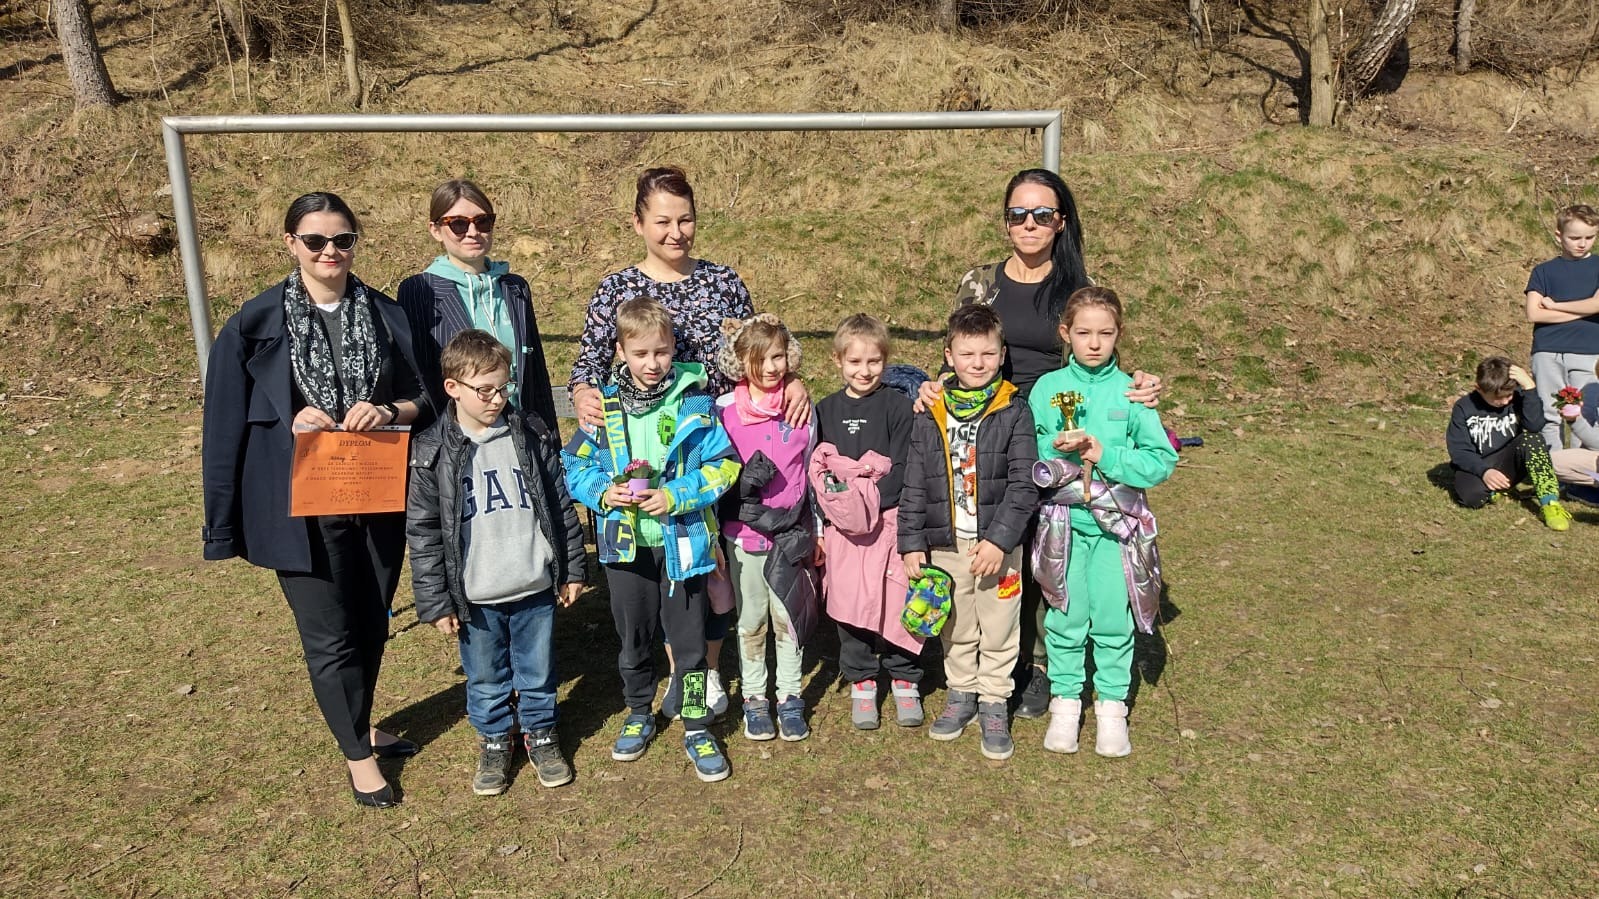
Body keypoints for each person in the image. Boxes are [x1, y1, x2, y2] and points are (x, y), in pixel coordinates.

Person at [202, 192, 425, 809]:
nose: (330, 251)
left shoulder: (386, 314)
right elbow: (222, 427)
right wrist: (286, 423)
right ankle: (359, 756)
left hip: (375, 497)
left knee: (371, 623)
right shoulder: (252, 324)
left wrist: (387, 410)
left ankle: (361, 722)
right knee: (330, 635)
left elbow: (425, 397)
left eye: (342, 239)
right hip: (299, 510)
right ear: (290, 244)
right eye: (315, 240)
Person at [918, 168, 1164, 721]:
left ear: (1061, 222)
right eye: (1018, 213)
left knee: (1051, 541)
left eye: (1042, 214)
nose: (1029, 223)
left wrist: (1141, 385)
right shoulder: (980, 282)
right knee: (999, 534)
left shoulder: (1076, 285)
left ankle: (1041, 663)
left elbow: (1102, 357)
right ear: (1006, 220)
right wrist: (936, 386)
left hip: (1055, 430)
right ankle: (983, 657)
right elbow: (958, 348)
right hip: (991, 425)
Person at [568, 166, 811, 703]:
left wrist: (791, 379)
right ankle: (681, 670)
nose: (675, 232)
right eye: (662, 222)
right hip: (654, 451)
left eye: (685, 220)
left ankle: (710, 669)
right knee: (674, 564)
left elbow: (759, 350)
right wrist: (583, 392)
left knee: (714, 564)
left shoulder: (723, 282)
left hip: (723, 445)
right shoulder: (617, 289)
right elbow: (588, 366)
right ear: (638, 223)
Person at [562, 298, 741, 782]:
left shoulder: (695, 404)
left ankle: (697, 723)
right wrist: (604, 492)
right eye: (640, 353)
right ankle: (638, 710)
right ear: (620, 352)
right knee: (634, 639)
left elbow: (725, 465)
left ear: (673, 347)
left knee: (690, 642)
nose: (653, 363)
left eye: (661, 352)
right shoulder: (603, 408)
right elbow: (573, 465)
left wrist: (677, 495)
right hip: (625, 546)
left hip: (681, 544)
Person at [405, 330, 587, 797]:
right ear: (452, 387)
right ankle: (494, 739)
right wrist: (436, 601)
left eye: (503, 387)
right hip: (476, 595)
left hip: (533, 584)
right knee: (486, 677)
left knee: (538, 671)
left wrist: (572, 569)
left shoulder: (530, 433)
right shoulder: (431, 452)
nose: (496, 399)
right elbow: (424, 533)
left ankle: (541, 732)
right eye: (484, 390)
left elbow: (559, 505)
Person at [1029, 286, 1177, 758]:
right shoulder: (1047, 389)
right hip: (1063, 523)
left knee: (1113, 617)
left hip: (1117, 528)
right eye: (1084, 333)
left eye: (1105, 333)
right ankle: (1066, 703)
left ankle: (1112, 708)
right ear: (1065, 333)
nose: (1094, 343)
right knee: (1066, 614)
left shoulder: (1132, 392)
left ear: (1119, 334)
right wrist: (1056, 449)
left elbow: (1161, 460)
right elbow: (1027, 447)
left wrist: (1105, 453)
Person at [898, 305, 1038, 761]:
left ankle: (994, 700)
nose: (978, 363)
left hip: (997, 545)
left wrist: (1000, 540)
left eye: (988, 354)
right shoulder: (931, 410)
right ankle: (961, 692)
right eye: (967, 354)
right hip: (945, 541)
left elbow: (1024, 483)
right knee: (955, 623)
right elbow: (914, 480)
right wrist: (911, 541)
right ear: (949, 356)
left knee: (999, 624)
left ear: (1002, 355)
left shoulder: (1014, 410)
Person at [811, 314, 925, 730]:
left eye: (874, 361)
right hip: (842, 526)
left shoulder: (898, 407)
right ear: (837, 360)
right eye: (855, 362)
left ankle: (905, 676)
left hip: (889, 520)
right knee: (848, 598)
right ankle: (861, 678)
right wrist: (841, 508)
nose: (864, 371)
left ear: (886, 360)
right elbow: (819, 470)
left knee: (898, 598)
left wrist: (867, 498)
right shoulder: (824, 409)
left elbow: (905, 466)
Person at [713, 313, 819, 743]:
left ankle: (790, 696)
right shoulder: (723, 410)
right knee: (752, 620)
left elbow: (812, 472)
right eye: (759, 360)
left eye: (778, 357)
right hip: (744, 536)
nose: (771, 368)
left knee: (787, 618)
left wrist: (818, 531)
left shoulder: (802, 409)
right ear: (740, 362)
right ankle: (754, 698)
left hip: (791, 535)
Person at [397, 179, 559, 435]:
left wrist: (549, 440)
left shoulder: (515, 288)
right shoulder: (420, 290)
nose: (472, 232)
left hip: (522, 436)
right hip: (458, 441)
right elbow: (421, 380)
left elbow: (535, 375)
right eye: (458, 224)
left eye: (482, 221)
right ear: (436, 230)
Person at [1445, 356, 1572, 530]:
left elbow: (1534, 426)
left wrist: (1530, 388)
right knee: (1471, 498)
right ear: (1479, 389)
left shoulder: (1519, 398)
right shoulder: (1464, 407)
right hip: (1480, 464)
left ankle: (1549, 502)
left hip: (1510, 459)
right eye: (1497, 398)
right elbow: (1459, 450)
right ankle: (1495, 489)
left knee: (1533, 439)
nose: (1505, 401)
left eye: (1509, 395)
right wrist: (1484, 471)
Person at [1523, 204, 1599, 452]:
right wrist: (1586, 309)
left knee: (1585, 414)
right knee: (1549, 412)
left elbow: (1597, 304)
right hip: (1547, 350)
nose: (1583, 244)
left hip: (1589, 352)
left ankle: (1583, 471)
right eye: (1575, 238)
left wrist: (1554, 306)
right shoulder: (1543, 271)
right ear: (1559, 235)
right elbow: (1534, 313)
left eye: (1590, 237)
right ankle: (1555, 468)